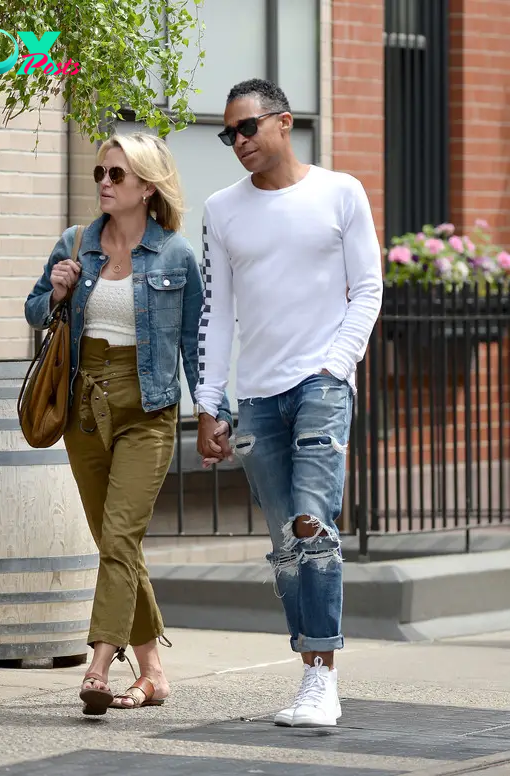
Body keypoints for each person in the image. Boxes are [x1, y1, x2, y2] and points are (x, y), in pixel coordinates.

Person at [194, 79, 383, 728]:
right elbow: (217, 315)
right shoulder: (221, 209)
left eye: (247, 129)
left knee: (313, 524)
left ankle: (324, 676)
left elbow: (368, 288)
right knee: (285, 544)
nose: (238, 143)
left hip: (322, 386)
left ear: (285, 123)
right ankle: (309, 671)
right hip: (258, 397)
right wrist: (208, 403)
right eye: (228, 134)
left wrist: (336, 365)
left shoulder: (340, 193)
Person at [25, 132, 231, 715]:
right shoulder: (76, 243)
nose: (105, 184)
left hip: (149, 409)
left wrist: (211, 415)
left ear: (147, 185)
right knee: (117, 543)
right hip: (84, 409)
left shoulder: (176, 255)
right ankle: (155, 674)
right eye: (100, 174)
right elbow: (35, 310)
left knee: (118, 538)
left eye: (117, 175)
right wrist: (57, 290)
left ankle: (97, 664)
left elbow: (196, 342)